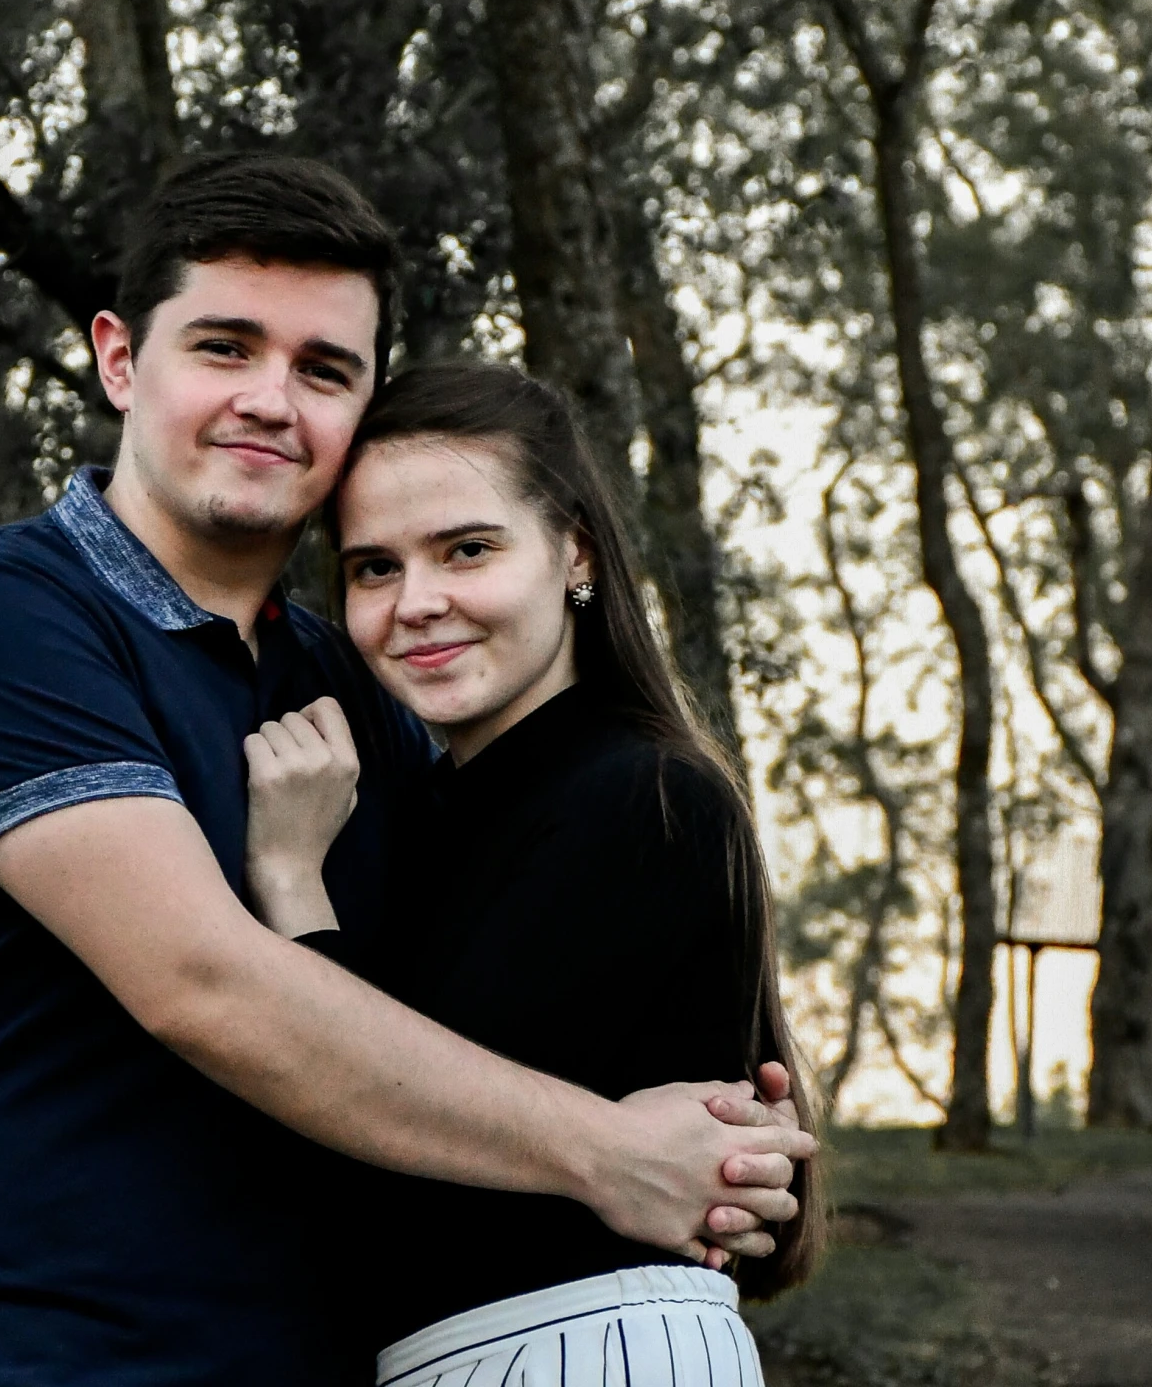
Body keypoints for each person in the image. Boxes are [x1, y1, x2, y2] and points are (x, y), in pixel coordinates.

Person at [0, 154, 815, 1387]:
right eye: (225, 347)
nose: (272, 401)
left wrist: (734, 1161)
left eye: (324, 369)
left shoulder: (362, 696)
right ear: (121, 360)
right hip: (9, 1355)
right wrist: (611, 1152)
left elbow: (457, 1014)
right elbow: (202, 981)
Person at [243, 360, 823, 1386]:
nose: (417, 602)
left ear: (575, 552)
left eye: (466, 549)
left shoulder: (642, 797)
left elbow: (378, 1148)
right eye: (375, 567)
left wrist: (291, 880)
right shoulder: (448, 805)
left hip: (574, 1348)